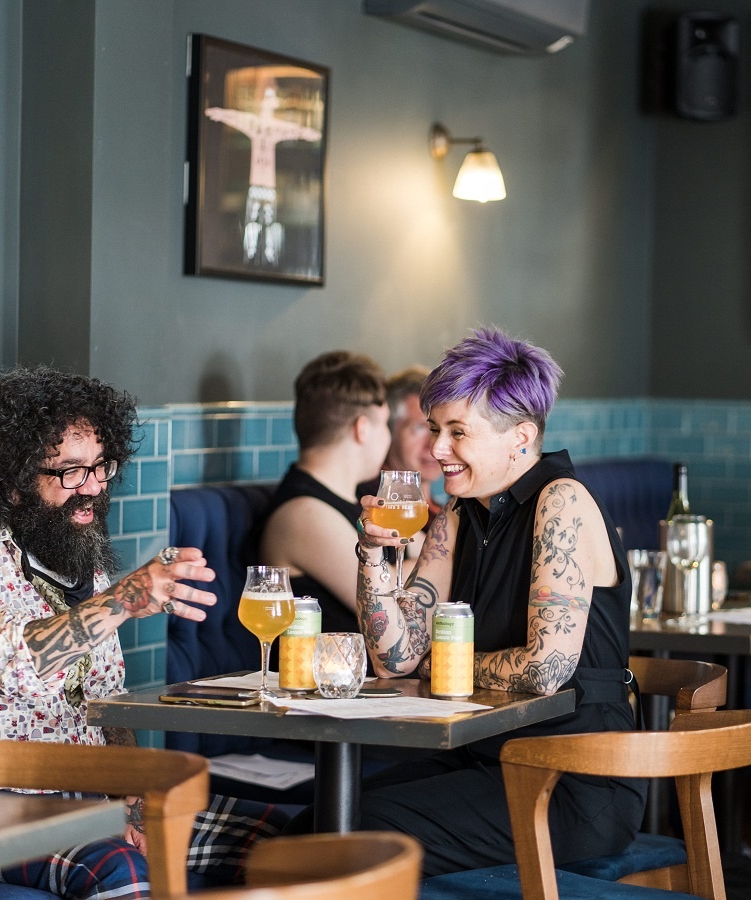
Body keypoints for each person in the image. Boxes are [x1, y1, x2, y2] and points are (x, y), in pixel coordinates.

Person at [0, 366, 287, 898]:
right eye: (70, 472)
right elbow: (9, 660)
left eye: (100, 466)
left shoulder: (79, 566)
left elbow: (103, 703)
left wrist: (138, 798)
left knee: (285, 838)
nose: (94, 487)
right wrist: (124, 599)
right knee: (116, 866)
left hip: (85, 800)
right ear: (7, 481)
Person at [351, 327, 644, 876]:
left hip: (575, 781)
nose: (438, 449)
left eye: (458, 432)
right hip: (486, 758)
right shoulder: (458, 518)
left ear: (521, 437)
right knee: (328, 815)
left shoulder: (563, 503)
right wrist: (371, 554)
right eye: (436, 429)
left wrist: (448, 663)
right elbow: (395, 658)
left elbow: (545, 670)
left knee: (362, 826)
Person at [259, 350, 390, 634]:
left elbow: (431, 552)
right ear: (363, 429)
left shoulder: (357, 497)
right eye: (386, 424)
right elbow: (391, 601)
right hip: (321, 677)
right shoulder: (303, 514)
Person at [359, 365, 443, 557]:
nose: (434, 445)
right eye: (420, 428)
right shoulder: (374, 507)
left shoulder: (441, 509)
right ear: (389, 432)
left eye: (437, 429)